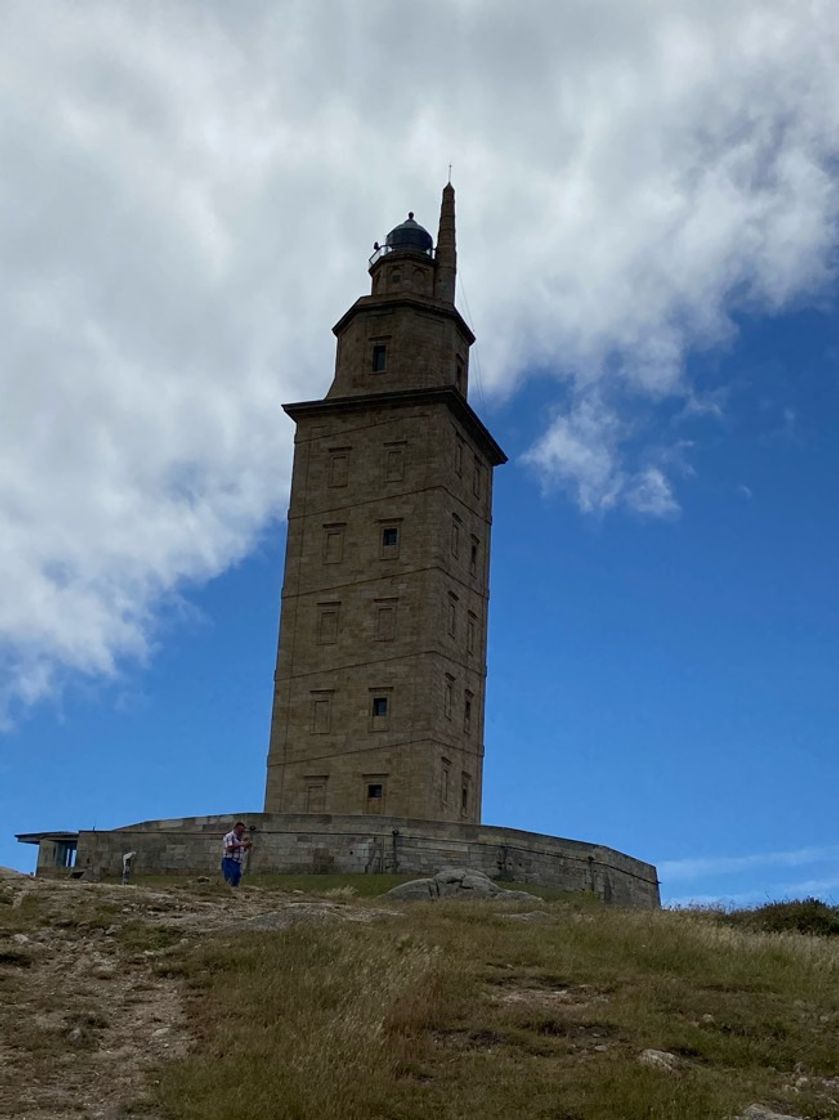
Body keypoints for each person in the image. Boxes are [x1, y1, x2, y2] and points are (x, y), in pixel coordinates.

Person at [220, 822, 251, 888]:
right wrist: (241, 844)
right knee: (231, 878)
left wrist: (246, 846)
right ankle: (228, 890)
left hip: (237, 862)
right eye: (241, 830)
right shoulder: (229, 836)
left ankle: (234, 891)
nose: (242, 832)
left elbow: (241, 850)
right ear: (236, 829)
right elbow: (229, 849)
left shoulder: (238, 838)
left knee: (237, 877)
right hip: (229, 860)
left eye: (243, 831)